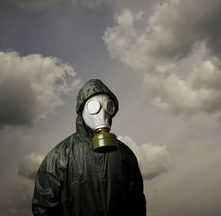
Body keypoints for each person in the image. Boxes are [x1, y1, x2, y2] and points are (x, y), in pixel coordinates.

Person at [32, 79, 146, 216]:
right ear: (82, 110)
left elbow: (137, 203)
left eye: (108, 107)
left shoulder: (125, 155)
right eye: (94, 107)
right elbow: (43, 207)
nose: (101, 114)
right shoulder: (59, 156)